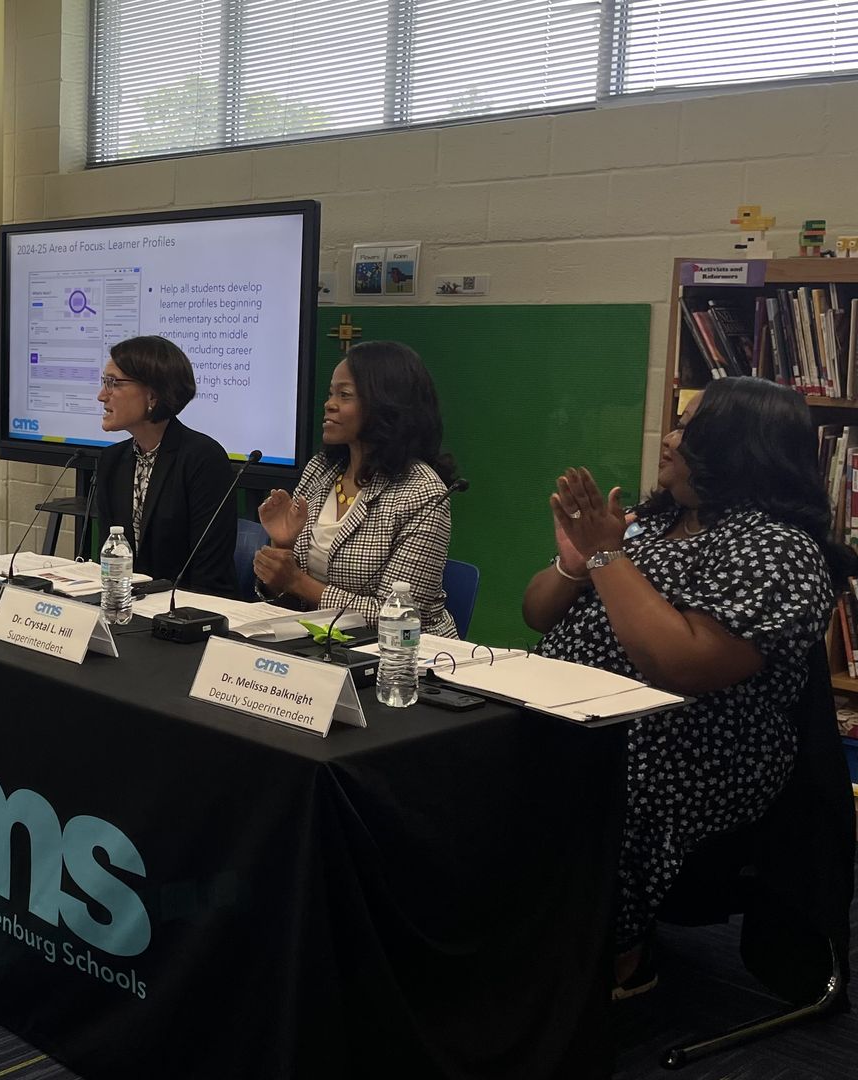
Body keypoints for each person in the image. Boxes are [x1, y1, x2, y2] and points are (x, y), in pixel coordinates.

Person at [522, 378, 839, 999]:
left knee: (599, 781)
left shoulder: (779, 549)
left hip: (689, 756)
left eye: (687, 427)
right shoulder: (646, 524)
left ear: (736, 444)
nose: (668, 438)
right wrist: (574, 563)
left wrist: (607, 559)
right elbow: (537, 614)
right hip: (582, 717)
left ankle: (620, 958)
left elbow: (683, 664)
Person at [253, 341, 460, 636]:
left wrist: (297, 581)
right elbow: (285, 595)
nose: (329, 404)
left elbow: (399, 616)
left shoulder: (421, 492)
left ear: (386, 403)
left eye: (344, 395)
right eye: (330, 393)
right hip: (318, 641)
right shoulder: (320, 470)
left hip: (398, 659)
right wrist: (282, 546)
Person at [91, 335, 238, 595]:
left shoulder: (203, 459)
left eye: (114, 383)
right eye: (104, 382)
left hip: (187, 614)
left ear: (153, 395)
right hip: (129, 607)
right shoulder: (111, 461)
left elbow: (208, 575)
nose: (102, 395)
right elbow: (110, 561)